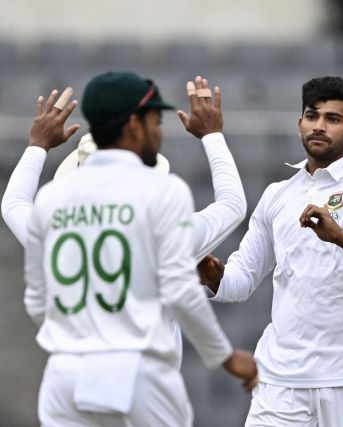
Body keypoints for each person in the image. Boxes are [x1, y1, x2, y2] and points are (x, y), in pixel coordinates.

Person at [22, 71, 256, 427]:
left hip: (64, 378)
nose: (159, 132)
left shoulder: (50, 201)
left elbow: (37, 302)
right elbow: (182, 287)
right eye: (155, 121)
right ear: (134, 124)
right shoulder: (162, 194)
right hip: (137, 375)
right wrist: (223, 355)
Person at [203, 76, 343, 426]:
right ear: (300, 124)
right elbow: (240, 282)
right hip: (279, 381)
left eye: (333, 119)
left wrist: (340, 236)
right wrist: (212, 274)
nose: (320, 126)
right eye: (312, 116)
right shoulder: (277, 194)